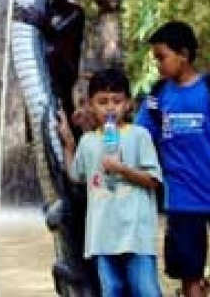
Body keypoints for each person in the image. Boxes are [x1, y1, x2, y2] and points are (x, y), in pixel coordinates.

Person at [134, 20, 210, 297]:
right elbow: (138, 135)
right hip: (181, 201)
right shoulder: (158, 95)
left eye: (162, 57)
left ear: (184, 55)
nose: (159, 65)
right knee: (190, 277)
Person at [58, 67, 163, 297]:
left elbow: (153, 180)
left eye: (117, 101)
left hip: (136, 235)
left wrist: (122, 169)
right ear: (90, 105)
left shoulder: (139, 135)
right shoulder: (87, 141)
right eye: (102, 102)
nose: (110, 107)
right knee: (112, 290)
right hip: (102, 237)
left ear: (128, 104)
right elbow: (76, 175)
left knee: (146, 290)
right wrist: (68, 144)